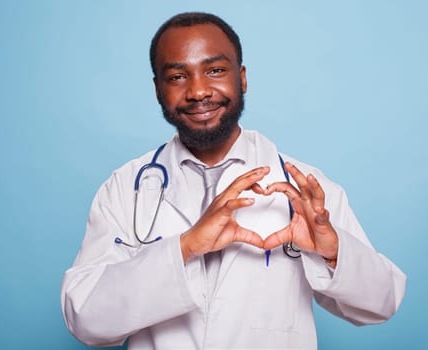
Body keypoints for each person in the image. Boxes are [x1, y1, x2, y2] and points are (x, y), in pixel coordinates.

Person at [61, 12, 406, 349]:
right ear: (157, 89)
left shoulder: (305, 190)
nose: (198, 91)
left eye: (215, 70)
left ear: (242, 78)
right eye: (178, 76)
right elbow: (86, 319)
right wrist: (186, 247)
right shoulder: (126, 188)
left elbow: (381, 303)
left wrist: (332, 251)